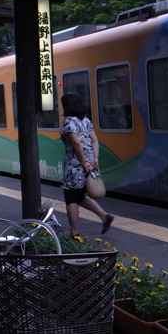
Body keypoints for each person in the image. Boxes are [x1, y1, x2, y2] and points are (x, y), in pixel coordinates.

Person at [60, 93, 115, 237]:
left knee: (70, 197)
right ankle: (104, 216)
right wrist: (95, 159)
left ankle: (74, 232)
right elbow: (95, 140)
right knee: (80, 196)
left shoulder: (68, 122)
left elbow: (76, 142)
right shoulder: (86, 121)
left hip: (76, 165)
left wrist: (83, 161)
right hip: (89, 163)